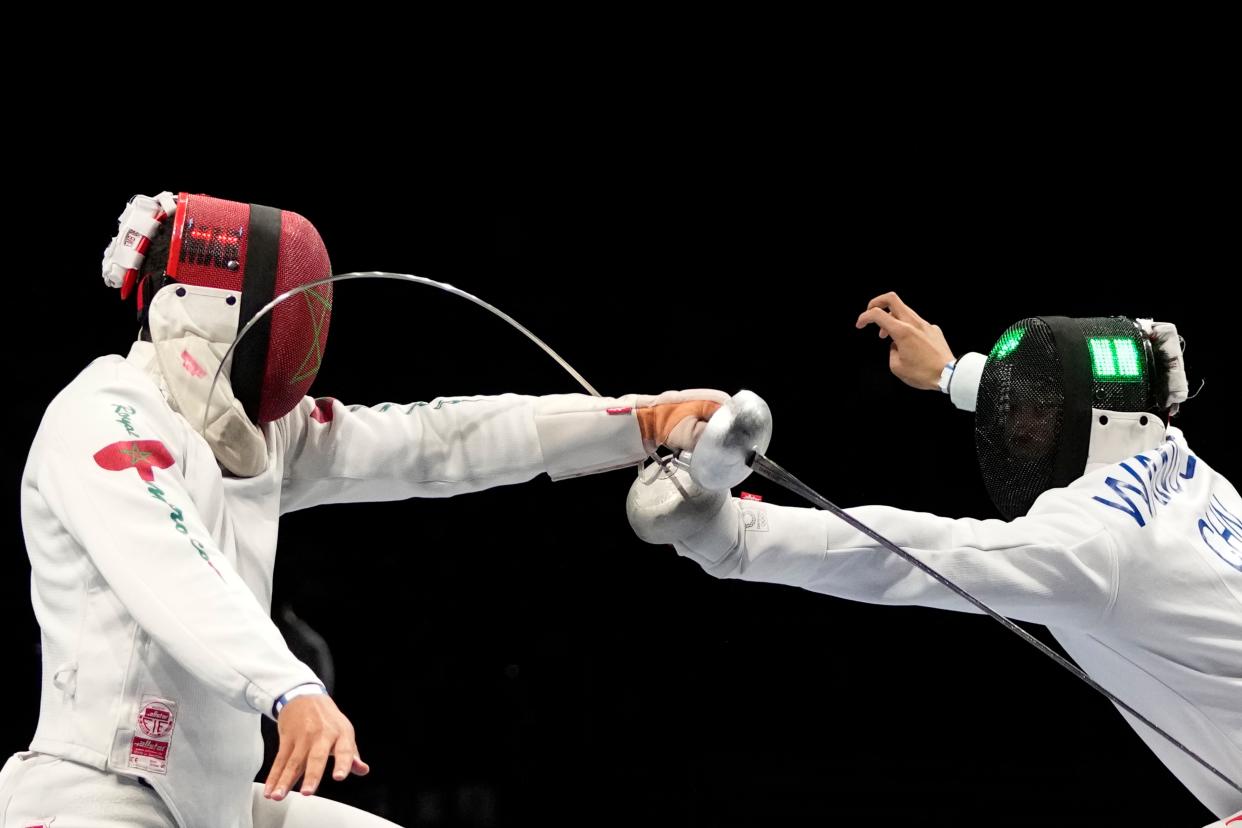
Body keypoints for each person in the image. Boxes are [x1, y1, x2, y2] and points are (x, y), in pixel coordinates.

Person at [0, 191, 727, 828]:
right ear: (217, 310)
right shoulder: (103, 415)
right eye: (288, 308)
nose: (307, 338)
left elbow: (431, 443)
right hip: (98, 800)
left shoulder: (261, 435)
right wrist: (290, 689)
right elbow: (170, 559)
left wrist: (641, 421)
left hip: (219, 804)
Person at [626, 291, 1242, 825]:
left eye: (1029, 414)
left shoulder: (1092, 542)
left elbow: (916, 555)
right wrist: (951, 373)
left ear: (1086, 417)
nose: (1014, 424)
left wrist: (736, 534)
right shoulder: (1189, 468)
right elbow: (1104, 412)